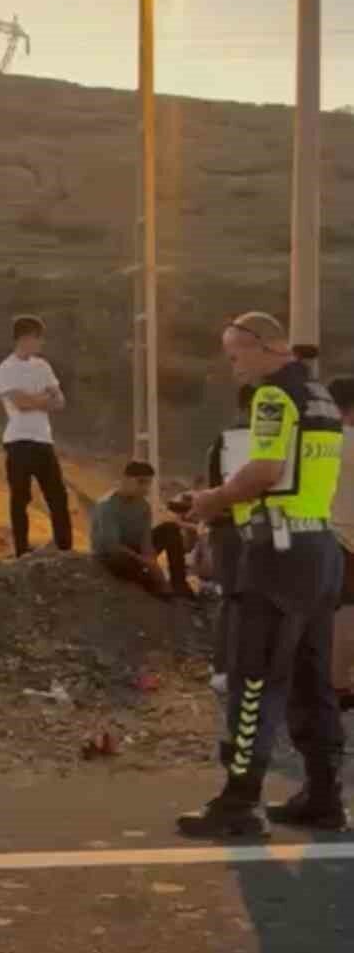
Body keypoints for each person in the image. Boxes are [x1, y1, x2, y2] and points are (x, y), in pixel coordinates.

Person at [176, 312, 345, 839]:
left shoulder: (273, 396)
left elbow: (265, 471)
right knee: (312, 680)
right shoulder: (320, 396)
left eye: (236, 356)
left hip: (277, 551)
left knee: (253, 677)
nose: (235, 368)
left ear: (264, 346)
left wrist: (212, 499)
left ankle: (239, 802)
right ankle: (324, 797)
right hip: (319, 548)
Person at [0, 314, 73, 557]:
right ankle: (21, 550)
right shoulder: (6, 369)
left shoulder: (43, 366)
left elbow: (60, 401)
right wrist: (43, 398)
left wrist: (35, 400)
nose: (41, 343)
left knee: (57, 495)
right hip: (18, 440)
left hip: (43, 440)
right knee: (21, 498)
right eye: (38, 338)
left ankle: (64, 547)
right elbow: (21, 403)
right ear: (25, 338)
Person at [204, 386, 255, 687]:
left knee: (233, 598)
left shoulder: (223, 440)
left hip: (227, 528)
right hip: (242, 528)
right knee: (241, 599)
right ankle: (230, 668)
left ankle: (224, 667)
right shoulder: (248, 439)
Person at [90, 461, 191, 598]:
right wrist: (145, 562)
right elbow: (112, 546)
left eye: (148, 483)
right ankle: (149, 583)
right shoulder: (107, 506)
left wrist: (152, 562)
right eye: (141, 482)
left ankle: (179, 584)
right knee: (120, 561)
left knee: (170, 529)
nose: (145, 488)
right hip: (112, 555)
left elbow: (146, 541)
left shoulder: (143, 506)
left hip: (135, 552)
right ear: (125, 479)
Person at [327, 374, 354, 712]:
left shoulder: (324, 441)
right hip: (348, 534)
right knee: (347, 609)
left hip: (325, 532)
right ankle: (338, 683)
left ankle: (333, 682)